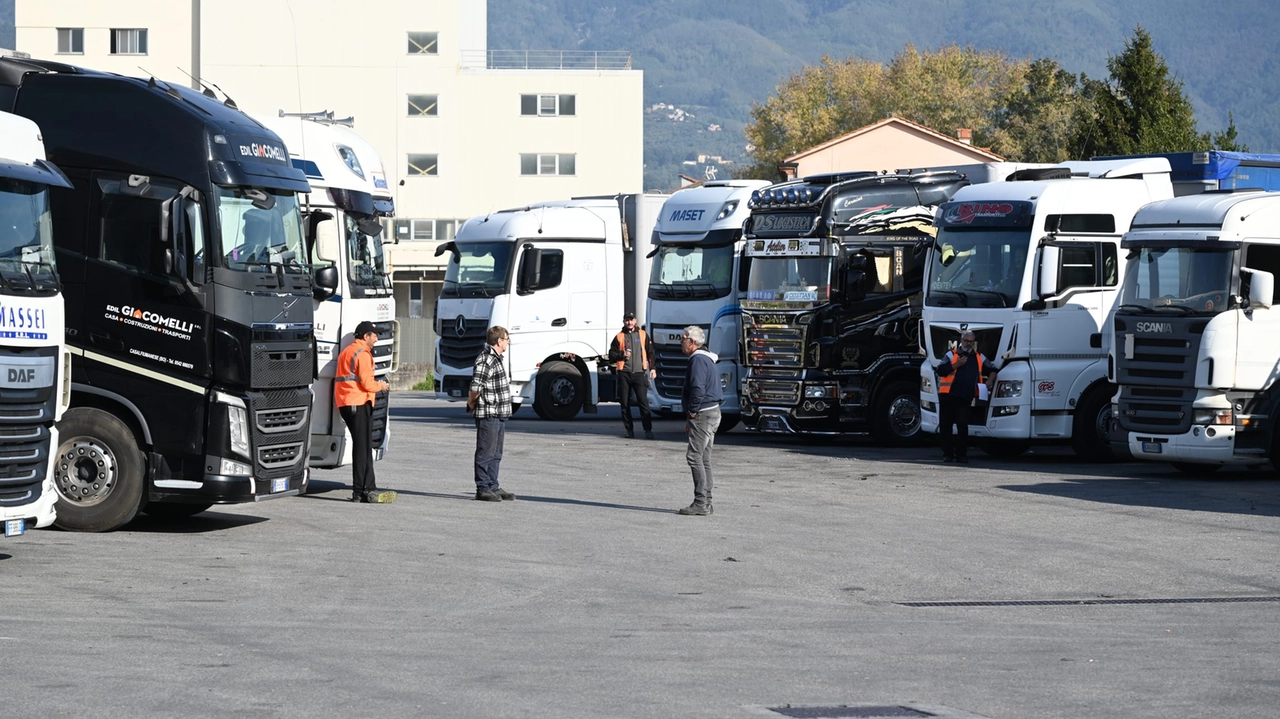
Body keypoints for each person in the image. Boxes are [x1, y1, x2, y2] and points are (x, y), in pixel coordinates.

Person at [334, 321, 396, 503]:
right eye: (374, 335)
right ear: (365, 336)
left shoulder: (347, 351)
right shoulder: (363, 354)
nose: (376, 338)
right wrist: (382, 386)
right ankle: (361, 490)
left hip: (346, 402)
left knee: (363, 445)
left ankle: (367, 487)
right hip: (358, 402)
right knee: (362, 447)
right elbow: (367, 384)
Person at [466, 326, 516, 502]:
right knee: (485, 452)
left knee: (496, 453)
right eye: (506, 339)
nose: (508, 342)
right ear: (499, 341)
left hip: (499, 413)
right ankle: (483, 487)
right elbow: (475, 386)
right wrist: (471, 402)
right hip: (489, 413)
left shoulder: (496, 358)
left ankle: (493, 485)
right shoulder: (486, 359)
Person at [678, 325, 723, 516]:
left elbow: (697, 389)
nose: (681, 342)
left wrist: (692, 413)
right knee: (704, 458)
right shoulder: (707, 359)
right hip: (713, 411)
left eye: (683, 338)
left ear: (692, 342)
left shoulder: (697, 361)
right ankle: (707, 501)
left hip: (704, 413)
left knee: (694, 457)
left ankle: (701, 502)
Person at [934, 330, 997, 464]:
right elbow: (940, 370)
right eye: (966, 341)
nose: (969, 344)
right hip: (948, 396)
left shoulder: (979, 357)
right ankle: (948, 454)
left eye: (971, 342)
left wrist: (990, 381)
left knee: (963, 426)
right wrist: (957, 364)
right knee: (946, 426)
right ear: (961, 341)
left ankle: (961, 455)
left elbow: (993, 369)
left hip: (965, 398)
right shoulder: (952, 355)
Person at [607, 311, 656, 439]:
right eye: (627, 320)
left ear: (635, 321)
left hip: (639, 373)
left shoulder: (643, 335)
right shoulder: (619, 336)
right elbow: (611, 355)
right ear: (624, 322)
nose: (629, 322)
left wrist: (653, 368)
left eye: (631, 319)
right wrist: (622, 355)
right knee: (624, 403)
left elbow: (650, 353)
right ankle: (629, 430)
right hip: (624, 373)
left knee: (643, 402)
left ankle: (648, 430)